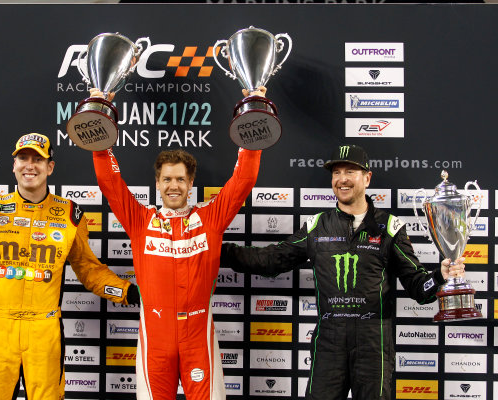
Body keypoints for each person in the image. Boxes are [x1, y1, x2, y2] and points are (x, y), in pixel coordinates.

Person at [220, 144, 466, 400]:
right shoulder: (317, 226)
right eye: (336, 173)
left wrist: (439, 277)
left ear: (367, 178)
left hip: (374, 344)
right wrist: (216, 250)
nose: (342, 179)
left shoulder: (391, 227)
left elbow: (419, 288)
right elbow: (270, 260)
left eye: (350, 171)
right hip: (329, 342)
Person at [0, 133, 140, 400]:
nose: (30, 165)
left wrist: (126, 291)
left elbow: (89, 269)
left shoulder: (71, 214)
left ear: (50, 167)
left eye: (38, 159)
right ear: (14, 165)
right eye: (23, 158)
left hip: (44, 329)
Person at [91, 87, 263, 400]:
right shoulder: (140, 221)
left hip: (198, 338)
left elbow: (243, 181)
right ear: (157, 183)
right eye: (167, 179)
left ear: (190, 183)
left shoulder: (210, 219)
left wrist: (253, 116)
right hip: (155, 340)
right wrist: (99, 122)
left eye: (180, 179)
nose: (174, 186)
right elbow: (109, 182)